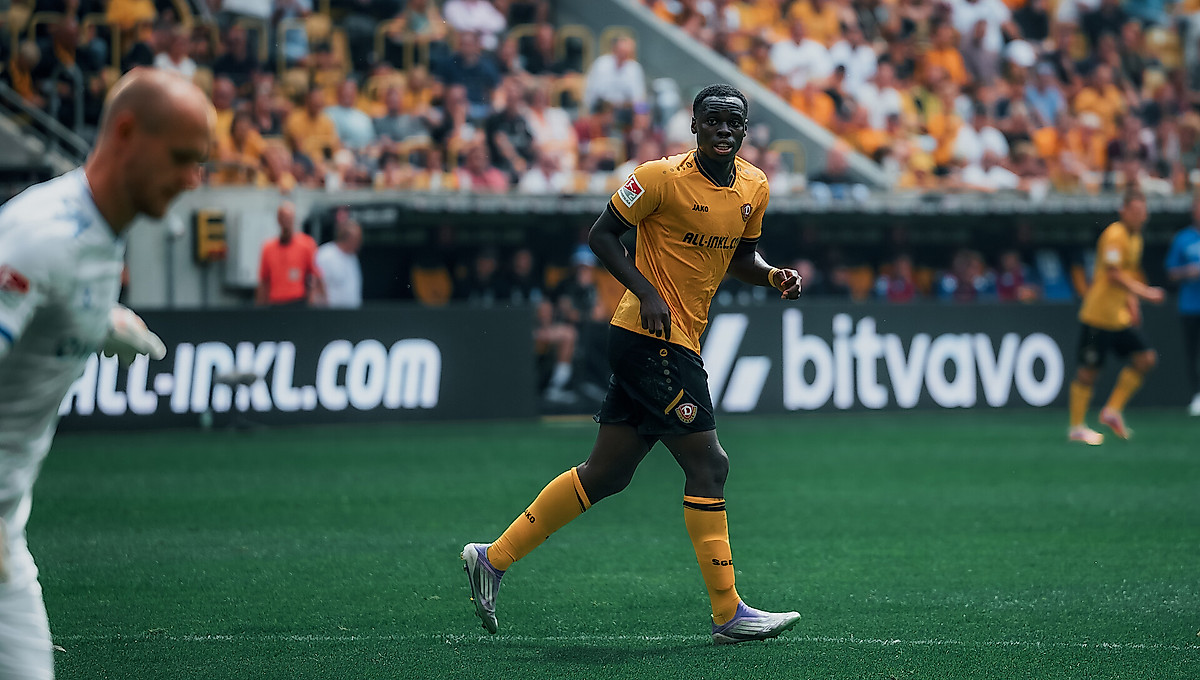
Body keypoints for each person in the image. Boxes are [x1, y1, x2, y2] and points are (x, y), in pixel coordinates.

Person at [461, 84, 804, 645]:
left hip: (679, 339)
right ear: (693, 126)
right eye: (713, 121)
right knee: (709, 465)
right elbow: (601, 236)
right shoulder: (659, 177)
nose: (725, 130)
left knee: (608, 474)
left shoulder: (754, 186)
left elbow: (741, 256)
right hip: (648, 338)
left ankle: (491, 559)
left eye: (734, 123)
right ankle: (729, 613)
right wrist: (644, 290)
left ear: (744, 131)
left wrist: (770, 275)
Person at [0, 68, 211, 680]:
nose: (193, 181)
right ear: (125, 133)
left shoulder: (99, 231)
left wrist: (105, 323)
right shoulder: (42, 238)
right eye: (181, 159)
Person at [1068, 188, 1165, 445]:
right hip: (1098, 316)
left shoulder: (1136, 239)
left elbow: (1127, 274)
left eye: (1143, 213)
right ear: (1124, 211)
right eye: (1136, 212)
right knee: (1088, 372)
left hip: (1118, 317)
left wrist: (1133, 303)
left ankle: (1112, 411)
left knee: (1146, 359)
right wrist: (1145, 294)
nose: (1141, 218)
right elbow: (1114, 274)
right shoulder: (1115, 235)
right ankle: (1076, 427)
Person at [1164, 193, 1200, 416]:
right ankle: (1197, 394)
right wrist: (1188, 272)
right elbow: (1170, 272)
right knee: (1193, 353)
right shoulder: (1183, 238)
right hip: (1190, 305)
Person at [256, 201, 326, 307]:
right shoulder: (268, 248)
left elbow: (316, 274)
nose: (286, 222)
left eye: (289, 218)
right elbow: (264, 280)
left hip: (298, 301)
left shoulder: (306, 244)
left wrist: (318, 299)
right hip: (275, 302)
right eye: (283, 218)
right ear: (279, 220)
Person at [316, 219, 363, 309]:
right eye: (357, 239)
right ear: (348, 238)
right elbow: (317, 286)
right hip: (331, 315)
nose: (360, 243)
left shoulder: (352, 257)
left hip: (352, 315)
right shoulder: (325, 255)